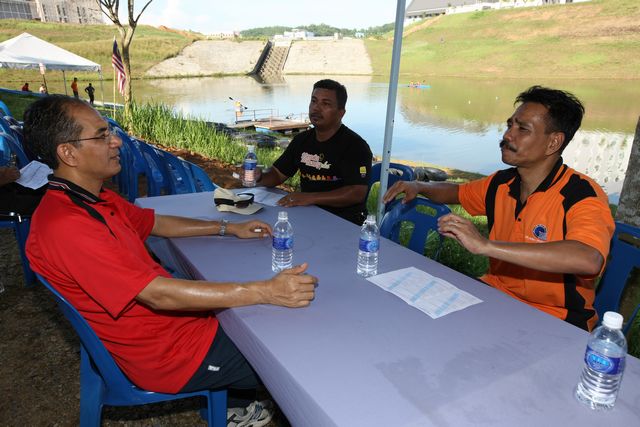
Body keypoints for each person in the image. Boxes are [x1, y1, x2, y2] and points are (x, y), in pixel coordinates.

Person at [23, 95, 317, 398]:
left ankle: (237, 402)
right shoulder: (67, 225)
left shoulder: (89, 198)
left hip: (177, 328)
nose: (116, 142)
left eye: (110, 132)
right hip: (174, 356)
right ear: (68, 153)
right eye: (101, 135)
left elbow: (155, 223)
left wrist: (228, 228)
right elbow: (158, 295)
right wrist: (265, 291)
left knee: (270, 315)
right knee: (297, 348)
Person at [383, 86, 614, 331]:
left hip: (556, 319)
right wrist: (418, 186)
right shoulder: (501, 183)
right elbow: (456, 192)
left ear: (553, 142)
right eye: (510, 125)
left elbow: (588, 258)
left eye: (522, 129)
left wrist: (486, 245)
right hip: (494, 295)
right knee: (408, 317)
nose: (508, 135)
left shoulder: (581, 194)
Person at [251, 79, 372, 225]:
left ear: (341, 113)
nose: (316, 108)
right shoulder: (301, 140)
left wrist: (309, 198)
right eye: (314, 101)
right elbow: (277, 174)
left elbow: (357, 193)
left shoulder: (355, 146)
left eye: (325, 104)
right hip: (306, 214)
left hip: (344, 221)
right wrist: (259, 177)